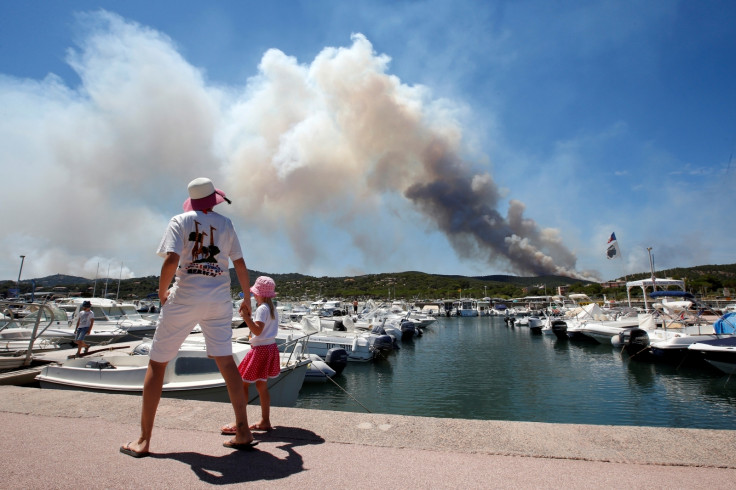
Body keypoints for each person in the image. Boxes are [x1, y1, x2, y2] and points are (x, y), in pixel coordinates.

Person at [120, 177, 256, 458]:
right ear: (213, 199)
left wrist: (161, 291)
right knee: (226, 361)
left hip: (185, 298)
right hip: (218, 300)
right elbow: (239, 263)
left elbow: (171, 259)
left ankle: (144, 440)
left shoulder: (178, 220)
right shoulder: (226, 224)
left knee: (157, 364)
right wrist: (246, 297)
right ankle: (243, 431)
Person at [221, 276, 280, 435]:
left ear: (259, 294)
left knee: (242, 384)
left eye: (254, 293)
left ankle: (240, 423)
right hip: (269, 348)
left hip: (259, 350)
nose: (253, 295)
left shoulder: (262, 309)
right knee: (262, 385)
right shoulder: (272, 308)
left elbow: (257, 331)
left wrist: (246, 317)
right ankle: (265, 420)